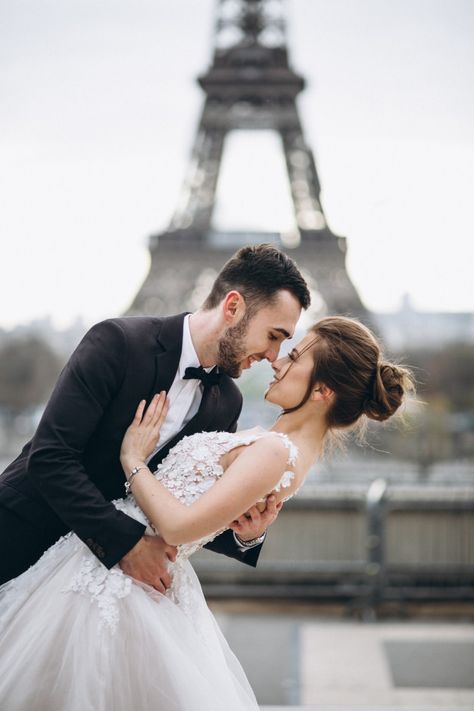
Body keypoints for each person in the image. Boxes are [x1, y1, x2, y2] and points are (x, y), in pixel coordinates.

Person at [0, 316, 413, 710]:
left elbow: (178, 526)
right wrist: (247, 535)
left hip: (120, 585)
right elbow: (204, 508)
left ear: (323, 391)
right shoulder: (276, 445)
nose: (277, 359)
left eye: (295, 355)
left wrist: (133, 458)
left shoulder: (274, 451)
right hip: (101, 569)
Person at [0, 243, 310, 589]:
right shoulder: (116, 343)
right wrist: (127, 544)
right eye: (273, 336)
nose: (273, 355)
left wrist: (247, 535)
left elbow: (186, 506)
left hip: (92, 583)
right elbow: (50, 458)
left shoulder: (227, 402)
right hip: (20, 542)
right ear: (233, 307)